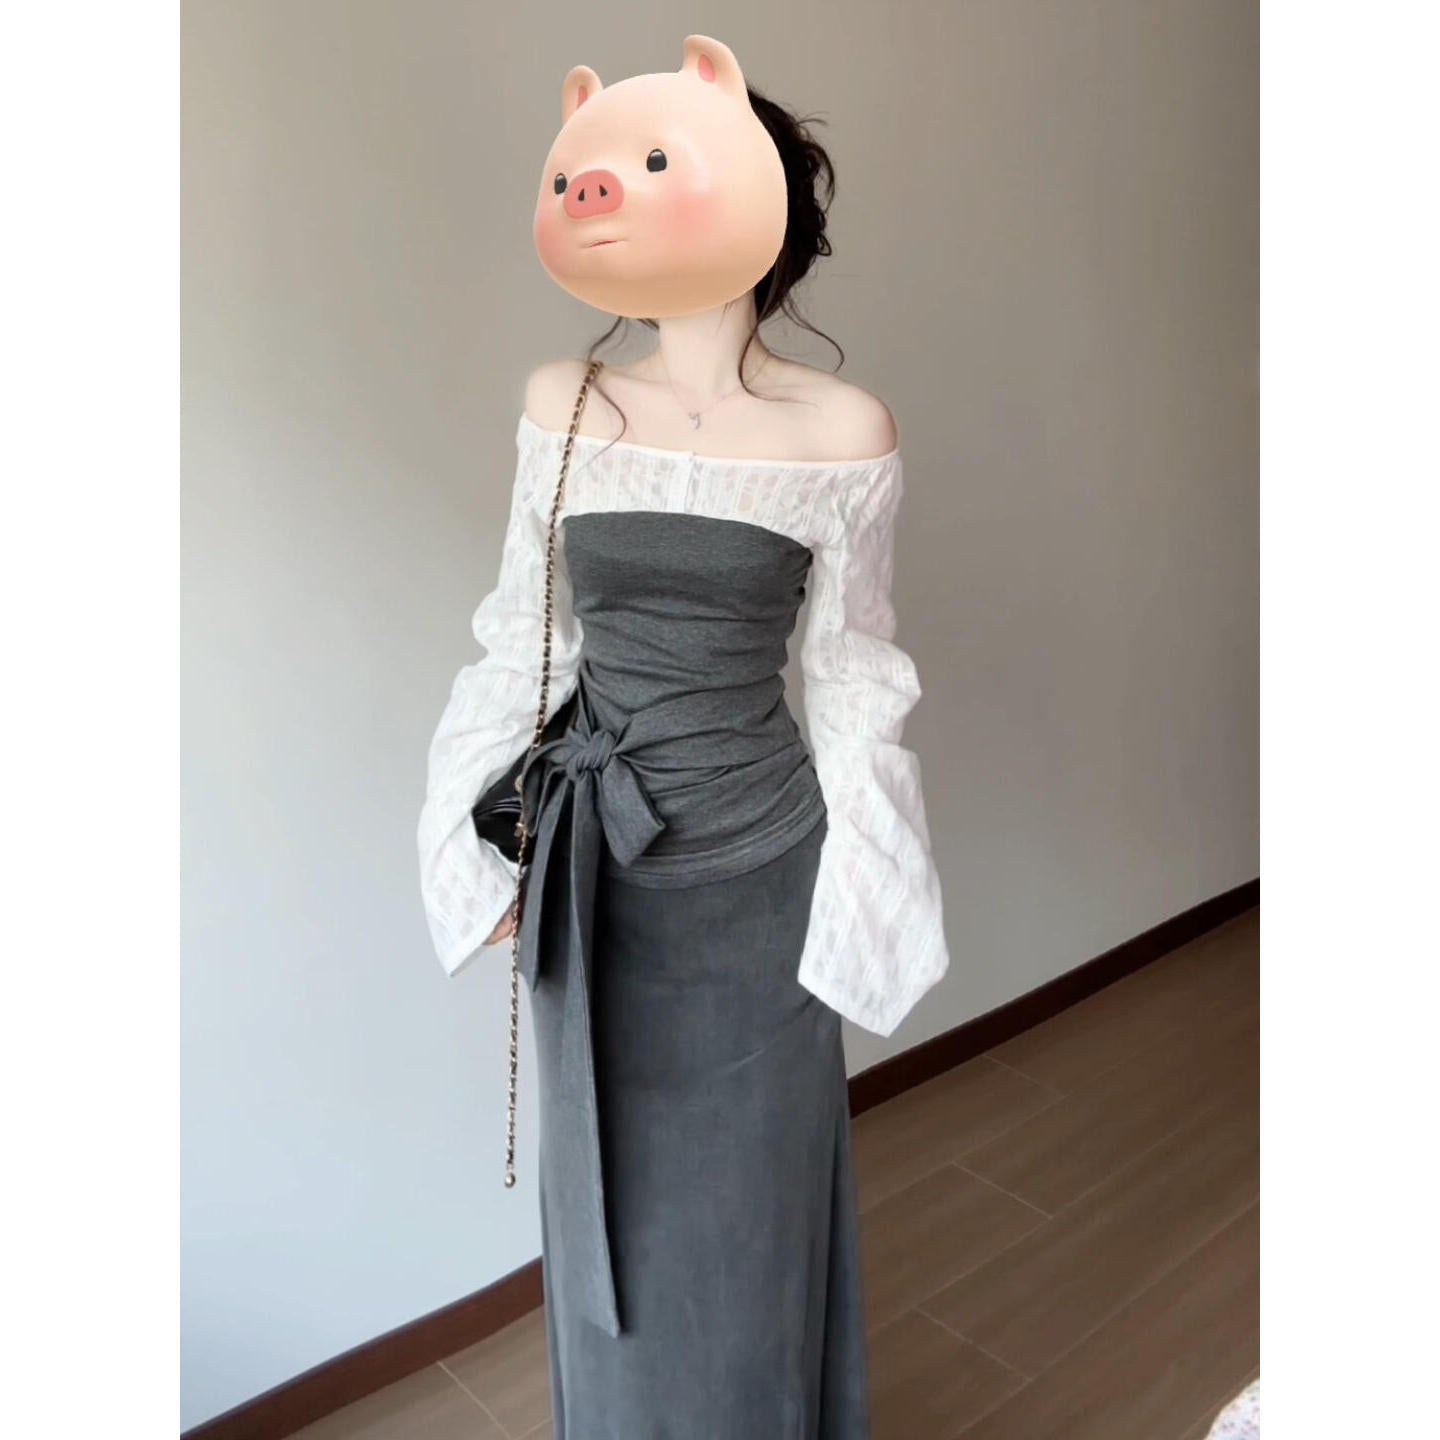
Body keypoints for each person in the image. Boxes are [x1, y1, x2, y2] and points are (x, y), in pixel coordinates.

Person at [418, 35, 948, 1439]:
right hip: (592, 884)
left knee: (749, 1233)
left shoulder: (843, 430)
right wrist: (471, 851)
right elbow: (520, 639)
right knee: (611, 1241)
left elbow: (854, 679)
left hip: (760, 884)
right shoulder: (567, 404)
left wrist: (871, 905)